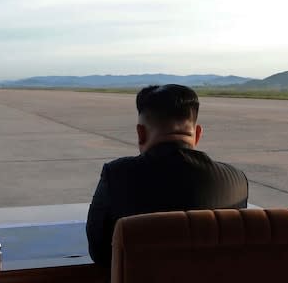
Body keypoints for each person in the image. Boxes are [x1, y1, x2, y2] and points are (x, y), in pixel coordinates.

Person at [86, 84, 248, 271]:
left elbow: (99, 252)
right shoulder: (237, 181)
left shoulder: (117, 175)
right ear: (197, 134)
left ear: (141, 133)